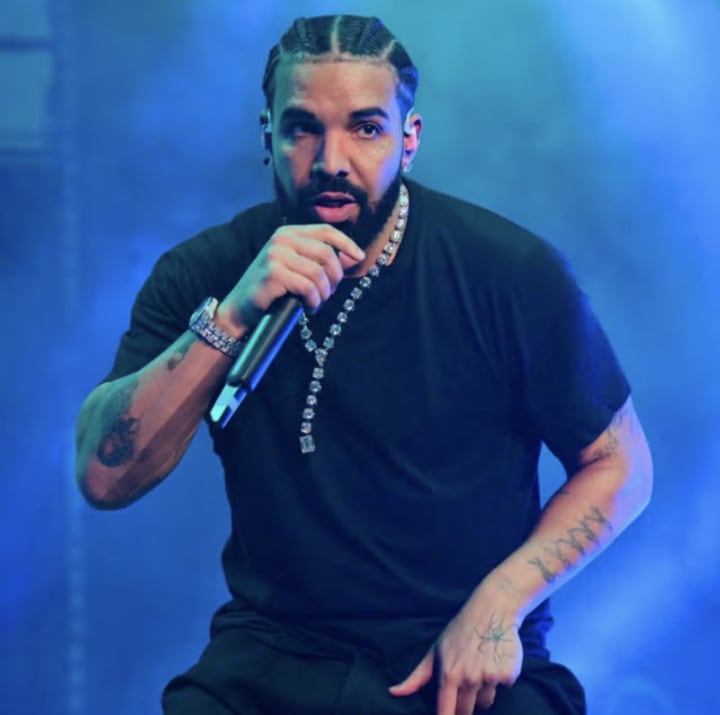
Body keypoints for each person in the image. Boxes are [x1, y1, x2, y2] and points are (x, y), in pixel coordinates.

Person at [74, 14, 653, 715]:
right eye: (303, 129)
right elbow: (104, 476)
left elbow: (620, 466)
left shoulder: (509, 273)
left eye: (366, 128)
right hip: (273, 656)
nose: (332, 160)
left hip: (459, 656)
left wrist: (500, 603)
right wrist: (231, 318)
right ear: (268, 135)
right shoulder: (205, 273)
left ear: (409, 138)